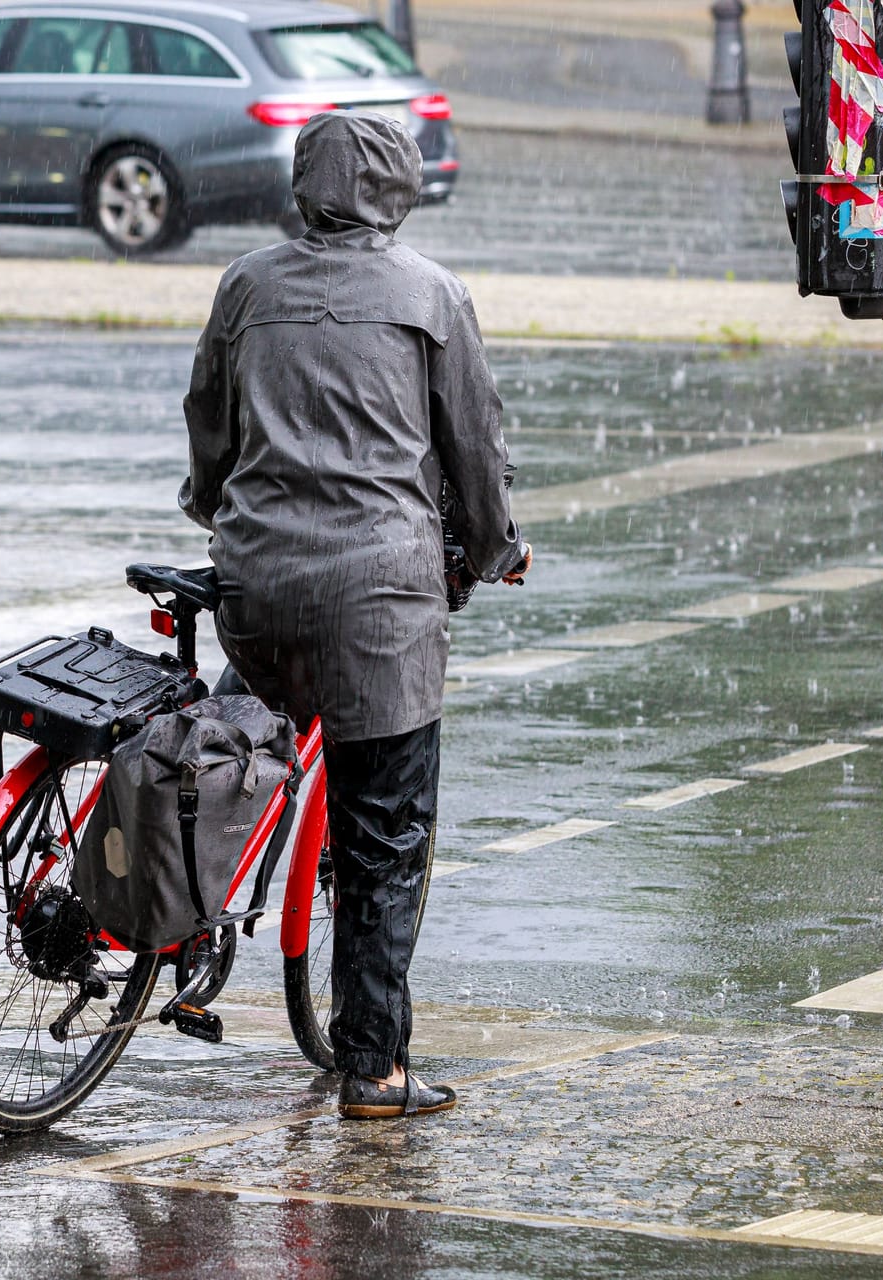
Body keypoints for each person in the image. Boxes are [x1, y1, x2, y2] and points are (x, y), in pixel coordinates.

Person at [179, 111, 529, 1119]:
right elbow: (473, 445)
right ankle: (373, 1067)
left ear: (305, 183)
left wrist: (220, 509)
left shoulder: (248, 283)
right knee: (385, 832)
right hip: (380, 601)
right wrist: (495, 545)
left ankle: (181, 923)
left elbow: (210, 420)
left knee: (235, 741)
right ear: (398, 188)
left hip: (255, 582)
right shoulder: (431, 292)